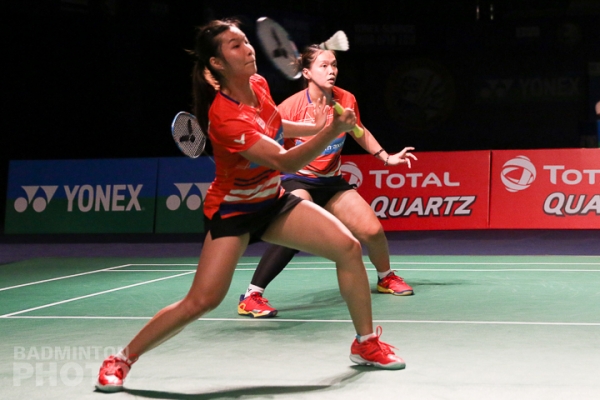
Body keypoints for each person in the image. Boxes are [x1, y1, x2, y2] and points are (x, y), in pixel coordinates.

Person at [95, 18, 405, 393]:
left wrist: (318, 125)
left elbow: (276, 126)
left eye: (246, 41)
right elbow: (285, 160)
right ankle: (122, 359)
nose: (248, 48)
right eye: (236, 45)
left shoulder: (258, 84)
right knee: (202, 301)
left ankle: (365, 343)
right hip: (234, 212)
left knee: (349, 248)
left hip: (272, 200)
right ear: (216, 63)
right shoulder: (225, 117)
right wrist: (330, 132)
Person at [238, 45, 417, 319]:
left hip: (331, 182)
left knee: (372, 231)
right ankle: (251, 296)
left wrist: (386, 157)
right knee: (296, 230)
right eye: (323, 65)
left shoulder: (346, 99)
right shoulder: (290, 107)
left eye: (334, 65)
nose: (331, 70)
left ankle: (385, 277)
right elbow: (270, 144)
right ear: (307, 73)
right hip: (297, 178)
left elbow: (358, 130)